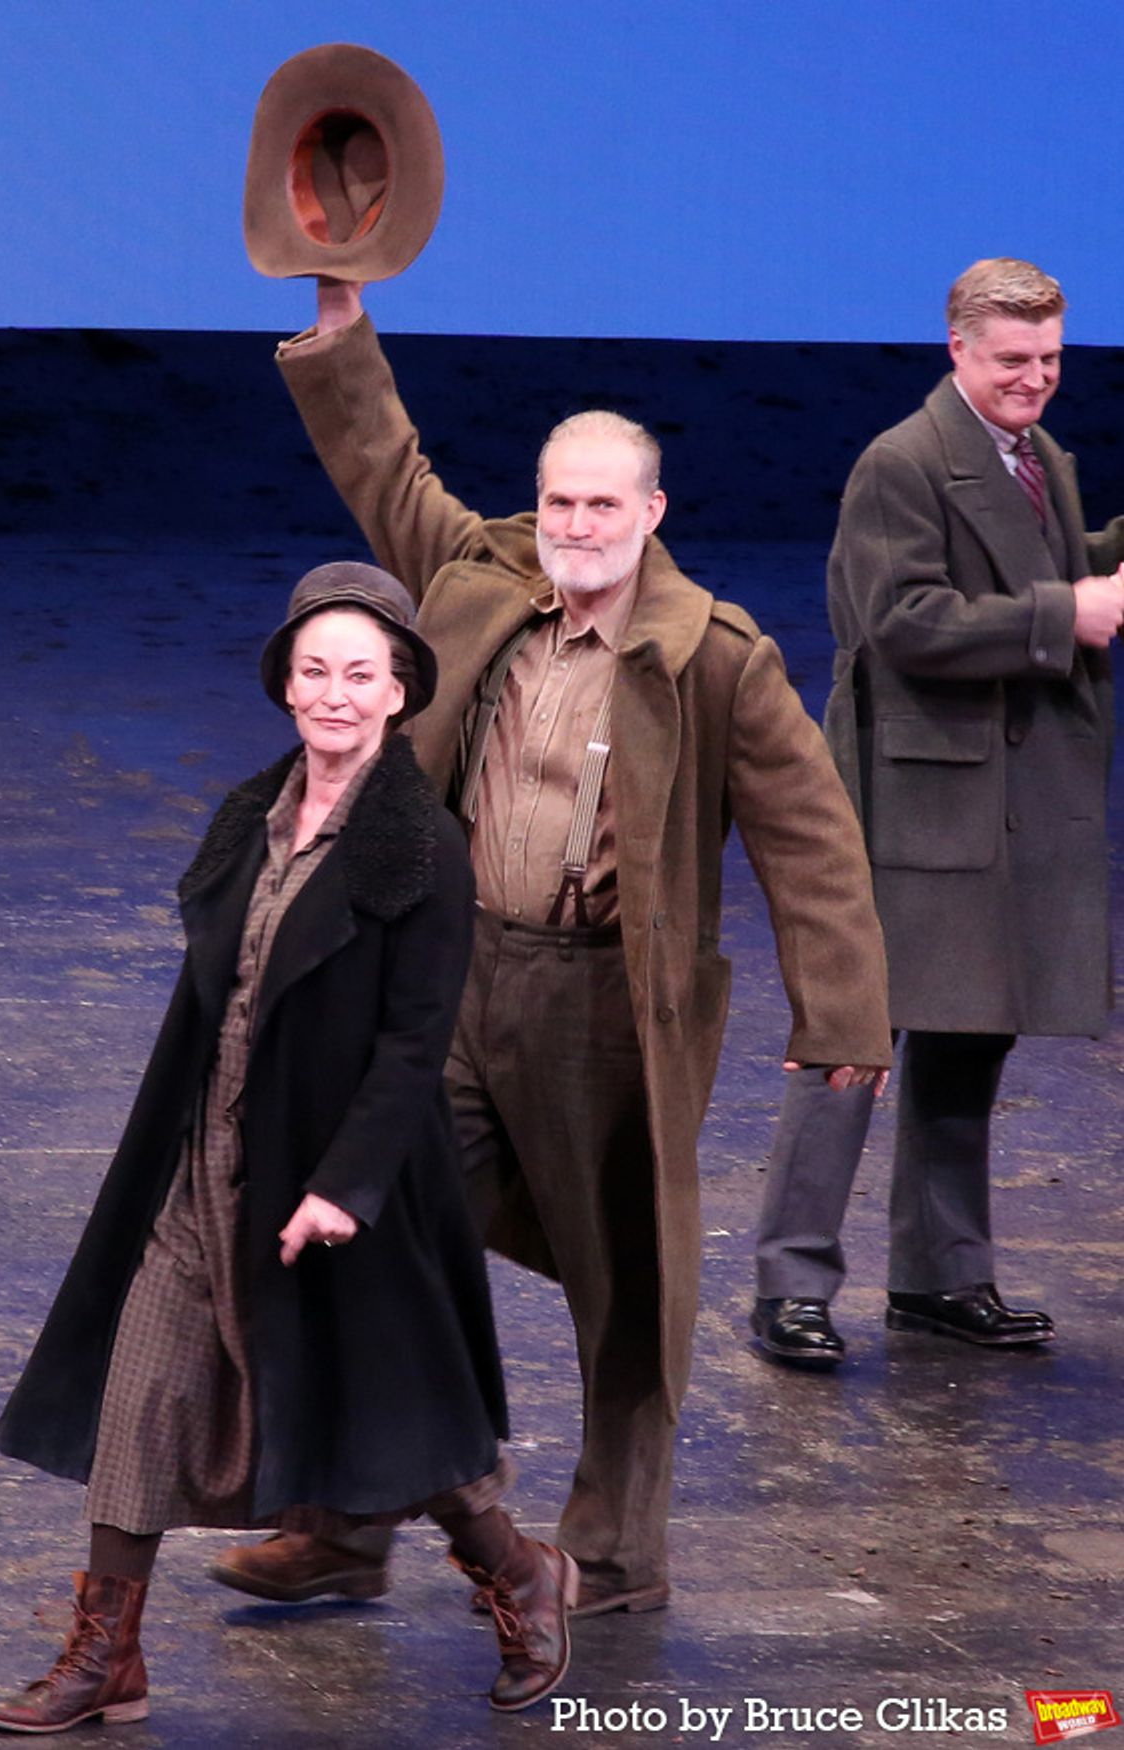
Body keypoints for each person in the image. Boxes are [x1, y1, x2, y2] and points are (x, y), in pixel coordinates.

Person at [205, 279, 892, 1620]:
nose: (576, 526)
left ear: (652, 514)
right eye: (559, 500)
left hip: (606, 1011)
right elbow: (385, 470)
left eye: (603, 504)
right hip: (457, 984)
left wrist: (846, 1016)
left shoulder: (713, 659)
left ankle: (617, 1552)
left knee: (626, 1286)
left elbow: (811, 840)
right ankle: (343, 1522)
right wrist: (342, 325)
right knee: (372, 1229)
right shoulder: (482, 581)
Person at [0, 563, 578, 1731]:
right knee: (142, 1395)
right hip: (204, 1166)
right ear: (285, 685)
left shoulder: (421, 851)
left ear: (401, 691)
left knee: (393, 1424)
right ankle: (107, 1652)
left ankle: (515, 1569)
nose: (335, 694)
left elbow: (415, 1048)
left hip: (339, 1182)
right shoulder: (247, 820)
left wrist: (343, 1186)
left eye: (361, 673)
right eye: (315, 671)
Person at [750, 258, 1123, 1367]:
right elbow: (901, 621)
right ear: (955, 348)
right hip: (914, 801)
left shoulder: (1035, 458)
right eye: (1012, 361)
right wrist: (1071, 608)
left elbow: (1040, 573)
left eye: (1050, 360)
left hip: (1000, 799)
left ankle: (940, 1275)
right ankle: (788, 1283)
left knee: (970, 1035)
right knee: (851, 1040)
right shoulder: (900, 465)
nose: (1034, 381)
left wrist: (1099, 564)